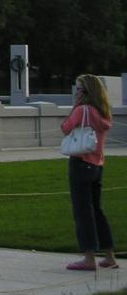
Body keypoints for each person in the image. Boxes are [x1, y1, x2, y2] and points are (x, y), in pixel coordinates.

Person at [62, 74, 117, 270]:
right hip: (97, 164)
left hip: (81, 162)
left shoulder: (82, 110)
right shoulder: (103, 112)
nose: (76, 92)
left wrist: (75, 106)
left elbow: (66, 128)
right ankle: (109, 256)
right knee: (97, 210)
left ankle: (88, 257)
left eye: (78, 89)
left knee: (82, 211)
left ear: (85, 91)